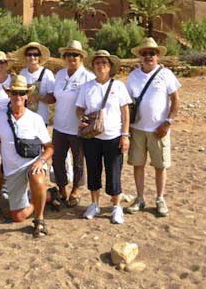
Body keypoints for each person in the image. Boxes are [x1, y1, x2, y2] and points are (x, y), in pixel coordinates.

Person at [0, 75, 54, 238]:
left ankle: (39, 220)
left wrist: (41, 160)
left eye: (21, 93)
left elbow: (49, 147)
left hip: (33, 163)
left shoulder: (35, 119)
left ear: (27, 96)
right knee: (18, 217)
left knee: (38, 178)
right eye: (14, 93)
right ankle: (47, 196)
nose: (18, 97)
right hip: (12, 169)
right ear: (9, 94)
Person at [125, 38, 180, 217]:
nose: (148, 56)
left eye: (152, 53)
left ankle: (160, 198)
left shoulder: (166, 74)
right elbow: (126, 103)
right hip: (137, 129)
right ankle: (140, 198)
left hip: (159, 129)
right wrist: (127, 130)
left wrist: (168, 122)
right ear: (140, 56)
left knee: (160, 165)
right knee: (138, 164)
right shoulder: (133, 76)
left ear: (158, 56)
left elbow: (176, 100)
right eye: (145, 53)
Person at [76, 50, 132, 224]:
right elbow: (79, 108)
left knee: (114, 172)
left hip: (113, 136)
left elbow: (125, 112)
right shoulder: (87, 87)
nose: (101, 66)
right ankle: (94, 204)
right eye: (98, 63)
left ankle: (116, 207)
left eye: (104, 63)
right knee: (93, 170)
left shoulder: (118, 86)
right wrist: (83, 118)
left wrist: (125, 135)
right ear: (93, 66)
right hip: (92, 137)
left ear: (110, 67)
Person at [49, 40, 94, 207]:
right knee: (57, 159)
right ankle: (62, 189)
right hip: (59, 126)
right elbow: (54, 97)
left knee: (78, 161)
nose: (71, 57)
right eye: (68, 54)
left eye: (75, 54)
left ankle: (75, 190)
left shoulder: (88, 77)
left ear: (81, 57)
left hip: (77, 128)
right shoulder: (60, 75)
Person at [15, 42, 55, 125]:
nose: (32, 57)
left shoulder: (47, 74)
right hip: (24, 118)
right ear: (26, 57)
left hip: (41, 119)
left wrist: (37, 97)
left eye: (35, 54)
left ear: (39, 57)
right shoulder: (22, 73)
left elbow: (53, 99)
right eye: (29, 54)